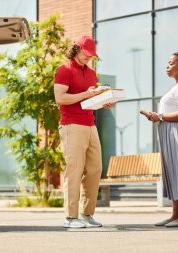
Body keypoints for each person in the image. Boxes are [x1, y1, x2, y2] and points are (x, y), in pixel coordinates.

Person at [54, 35, 113, 228]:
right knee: (74, 170)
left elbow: (89, 101)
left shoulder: (91, 73)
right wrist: (87, 94)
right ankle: (70, 218)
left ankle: (87, 214)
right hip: (72, 125)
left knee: (95, 169)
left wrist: (103, 101)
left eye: (92, 55)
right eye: (87, 53)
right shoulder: (64, 70)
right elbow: (61, 98)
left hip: (90, 124)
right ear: (77, 49)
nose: (90, 57)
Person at [141, 52, 178, 227]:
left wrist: (160, 116)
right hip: (171, 131)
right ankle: (175, 215)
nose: (167, 66)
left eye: (171, 63)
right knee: (174, 172)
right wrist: (157, 117)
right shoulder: (177, 87)